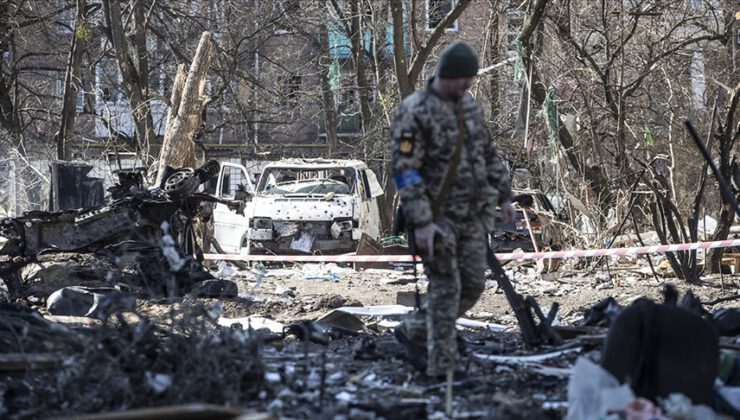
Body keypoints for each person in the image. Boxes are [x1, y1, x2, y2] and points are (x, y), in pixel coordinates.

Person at [391, 41, 516, 378]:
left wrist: (505, 197)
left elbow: (488, 154)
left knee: (473, 286)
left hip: (473, 217)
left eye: (471, 81)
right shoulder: (413, 111)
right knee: (446, 290)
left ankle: (415, 329)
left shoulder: (470, 108)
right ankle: (442, 371)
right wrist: (422, 222)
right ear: (446, 75)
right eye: (463, 80)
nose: (468, 86)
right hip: (437, 220)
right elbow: (406, 171)